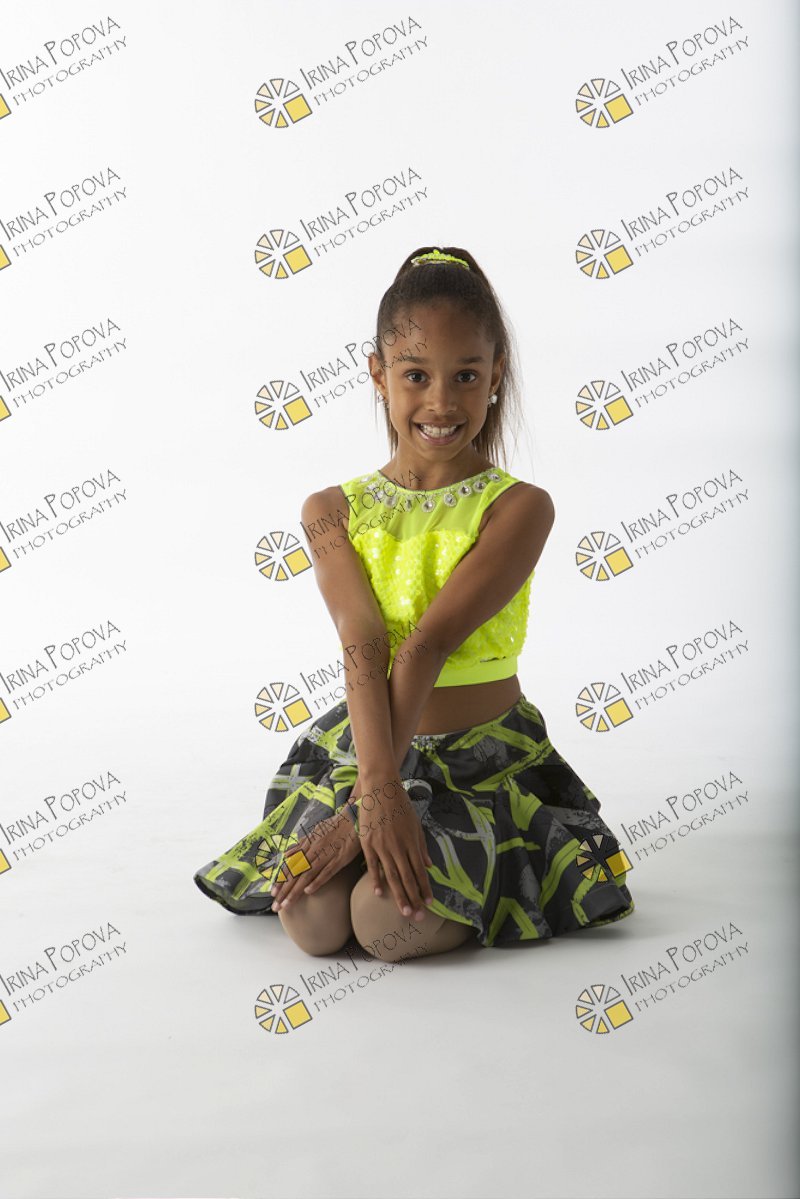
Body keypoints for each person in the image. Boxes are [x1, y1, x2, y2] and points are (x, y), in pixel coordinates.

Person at [193, 244, 636, 963]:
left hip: (480, 762)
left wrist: (368, 809)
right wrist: (373, 789)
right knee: (311, 921)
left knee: (381, 923)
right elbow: (363, 641)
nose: (441, 402)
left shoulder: (520, 508)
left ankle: (475, 869)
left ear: (497, 376)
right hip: (369, 751)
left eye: (466, 375)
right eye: (416, 375)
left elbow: (428, 643)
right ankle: (381, 833)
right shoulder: (331, 509)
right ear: (378, 375)